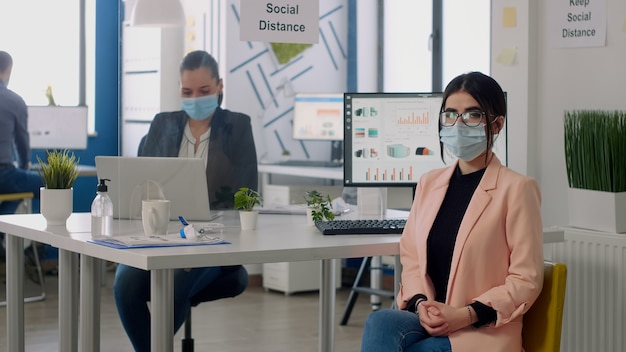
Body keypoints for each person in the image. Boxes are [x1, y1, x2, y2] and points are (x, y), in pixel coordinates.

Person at [361, 72, 544, 352]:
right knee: (380, 323)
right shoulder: (429, 183)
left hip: (480, 330)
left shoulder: (517, 189)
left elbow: (526, 279)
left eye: (472, 115)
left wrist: (465, 314)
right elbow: (411, 255)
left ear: (496, 124)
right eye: (450, 114)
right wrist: (421, 303)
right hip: (428, 319)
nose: (459, 124)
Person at [114, 50, 258, 351]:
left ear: (219, 87)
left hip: (213, 242)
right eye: (187, 91)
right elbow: (140, 188)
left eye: (204, 91)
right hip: (157, 236)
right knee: (124, 286)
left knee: (174, 285)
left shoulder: (238, 127)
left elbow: (246, 196)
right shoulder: (162, 124)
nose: (195, 98)